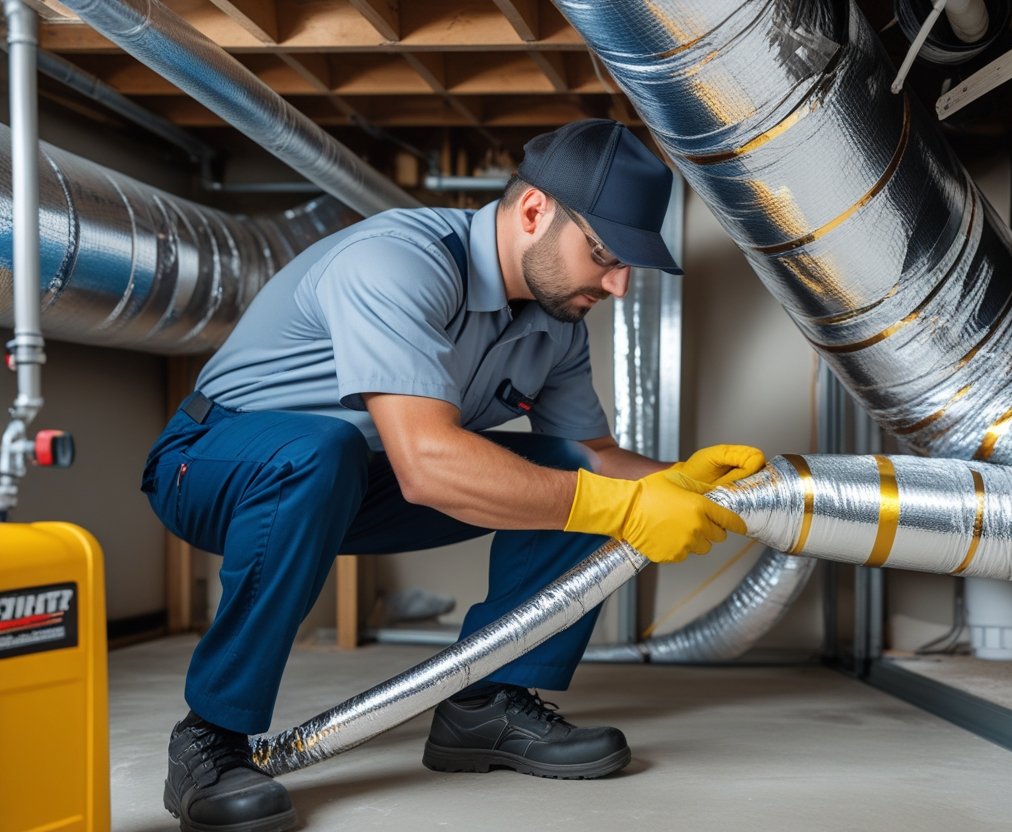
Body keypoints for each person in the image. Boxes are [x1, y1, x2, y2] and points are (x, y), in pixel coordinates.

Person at [141, 119, 765, 832]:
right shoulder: (399, 262)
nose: (619, 285)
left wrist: (683, 482)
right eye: (603, 254)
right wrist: (619, 509)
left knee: (571, 471)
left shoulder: (555, 324)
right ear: (534, 212)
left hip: (355, 480)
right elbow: (428, 465)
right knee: (320, 451)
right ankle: (208, 740)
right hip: (212, 466)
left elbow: (592, 458)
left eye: (629, 266)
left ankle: (486, 707)